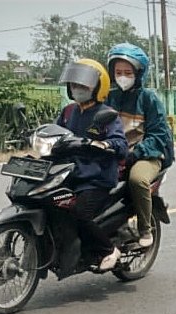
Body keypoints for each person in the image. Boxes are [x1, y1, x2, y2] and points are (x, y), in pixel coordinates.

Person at [56, 58, 128, 271]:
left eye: (83, 85)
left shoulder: (105, 114)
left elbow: (121, 144)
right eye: (74, 84)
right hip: (70, 173)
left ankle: (108, 250)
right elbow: (56, 133)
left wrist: (104, 144)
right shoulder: (68, 112)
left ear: (97, 87)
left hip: (96, 178)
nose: (77, 88)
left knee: (80, 213)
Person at [105, 43, 175, 249]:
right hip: (115, 153)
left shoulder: (148, 99)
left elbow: (159, 135)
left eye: (128, 73)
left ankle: (145, 228)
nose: (122, 77)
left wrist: (134, 154)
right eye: (118, 72)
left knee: (137, 179)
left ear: (138, 73)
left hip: (146, 155)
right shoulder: (109, 97)